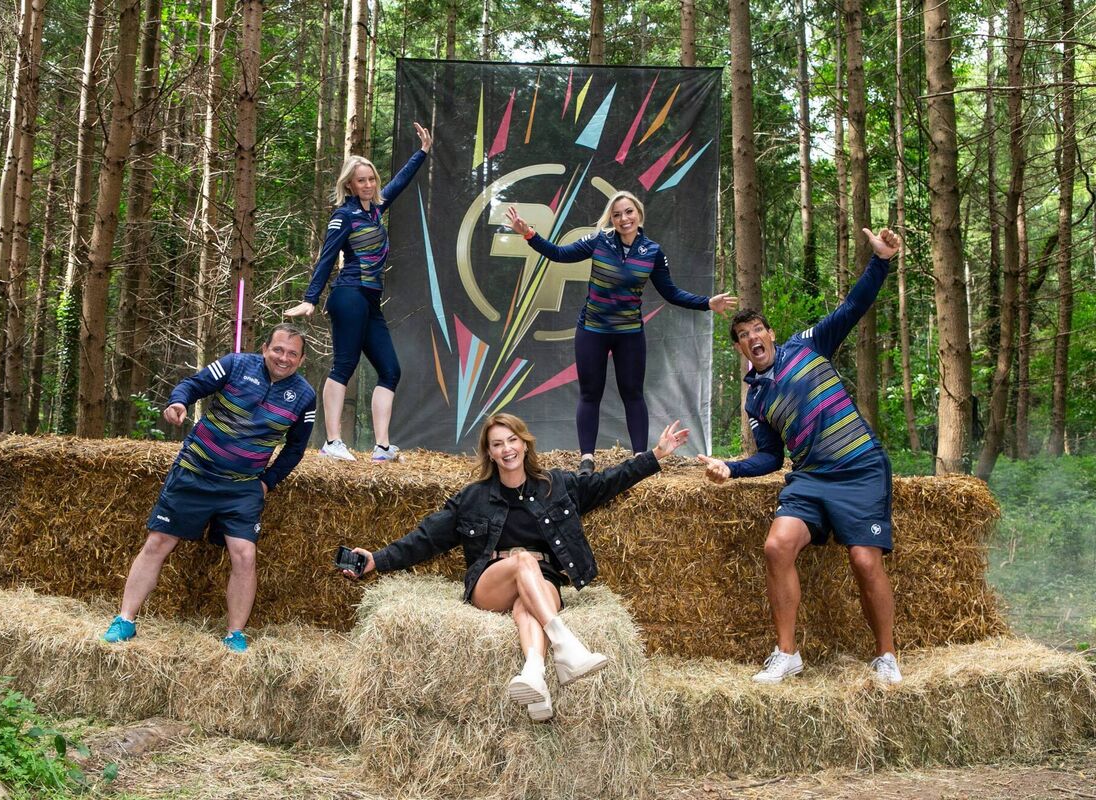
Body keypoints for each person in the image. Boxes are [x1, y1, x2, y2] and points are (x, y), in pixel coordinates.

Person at [342, 412, 690, 722]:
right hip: (492, 582)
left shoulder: (556, 485)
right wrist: (376, 559)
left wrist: (656, 454)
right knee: (523, 560)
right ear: (490, 452)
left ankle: (534, 676)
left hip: (543, 580)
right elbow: (425, 538)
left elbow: (609, 481)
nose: (507, 449)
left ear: (524, 444)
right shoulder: (473, 498)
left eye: (512, 440)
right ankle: (565, 643)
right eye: (497, 444)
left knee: (528, 606)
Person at [697, 227, 903, 685]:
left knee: (864, 560)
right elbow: (771, 459)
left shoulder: (807, 345)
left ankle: (886, 656)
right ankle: (787, 654)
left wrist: (881, 261)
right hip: (810, 478)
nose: (753, 337)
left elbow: (852, 308)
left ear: (771, 334)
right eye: (743, 335)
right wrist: (731, 468)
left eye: (757, 329)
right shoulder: (755, 401)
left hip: (860, 467)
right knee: (776, 546)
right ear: (739, 349)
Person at [103, 324, 317, 653]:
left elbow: (295, 449)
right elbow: (193, 384)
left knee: (245, 556)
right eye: (278, 349)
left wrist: (267, 482)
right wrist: (178, 403)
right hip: (195, 472)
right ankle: (125, 620)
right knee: (158, 542)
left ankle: (235, 634)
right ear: (264, 349)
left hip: (242, 488)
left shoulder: (304, 396)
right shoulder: (235, 364)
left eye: (292, 353)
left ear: (301, 360)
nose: (283, 358)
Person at [505, 194, 736, 474]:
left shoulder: (652, 251)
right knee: (590, 393)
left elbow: (671, 293)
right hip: (593, 330)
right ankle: (587, 459)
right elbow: (560, 254)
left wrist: (707, 303)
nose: (624, 219)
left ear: (638, 213)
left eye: (628, 212)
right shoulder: (599, 241)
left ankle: (640, 458)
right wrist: (528, 234)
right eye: (617, 214)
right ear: (611, 219)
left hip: (629, 334)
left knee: (633, 394)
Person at [285, 123, 434, 463]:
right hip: (348, 294)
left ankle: (382, 447)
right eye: (361, 180)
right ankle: (332, 441)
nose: (368, 185)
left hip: (370, 299)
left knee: (390, 370)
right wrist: (310, 298)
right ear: (349, 184)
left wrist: (422, 152)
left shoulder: (376, 209)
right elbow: (327, 258)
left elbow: (400, 182)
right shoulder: (344, 216)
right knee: (345, 365)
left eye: (371, 179)